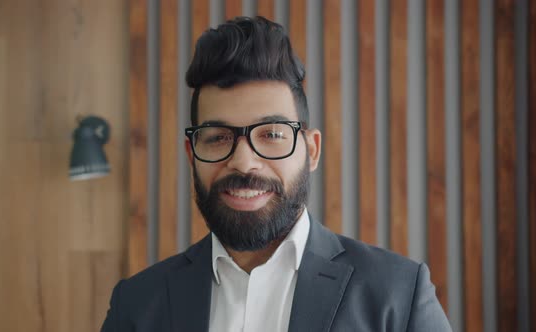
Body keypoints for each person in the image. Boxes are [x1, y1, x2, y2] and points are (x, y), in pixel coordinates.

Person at [101, 16, 451, 332]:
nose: (243, 162)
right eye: (218, 137)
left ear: (311, 150)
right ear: (192, 154)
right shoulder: (135, 306)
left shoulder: (399, 296)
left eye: (270, 135)